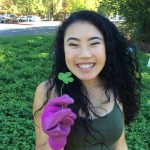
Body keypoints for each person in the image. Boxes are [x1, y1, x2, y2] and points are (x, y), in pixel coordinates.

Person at [33, 10, 141, 150]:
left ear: (107, 47)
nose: (84, 54)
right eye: (73, 44)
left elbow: (120, 144)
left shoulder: (115, 85)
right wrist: (55, 142)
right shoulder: (47, 91)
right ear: (63, 49)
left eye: (94, 43)